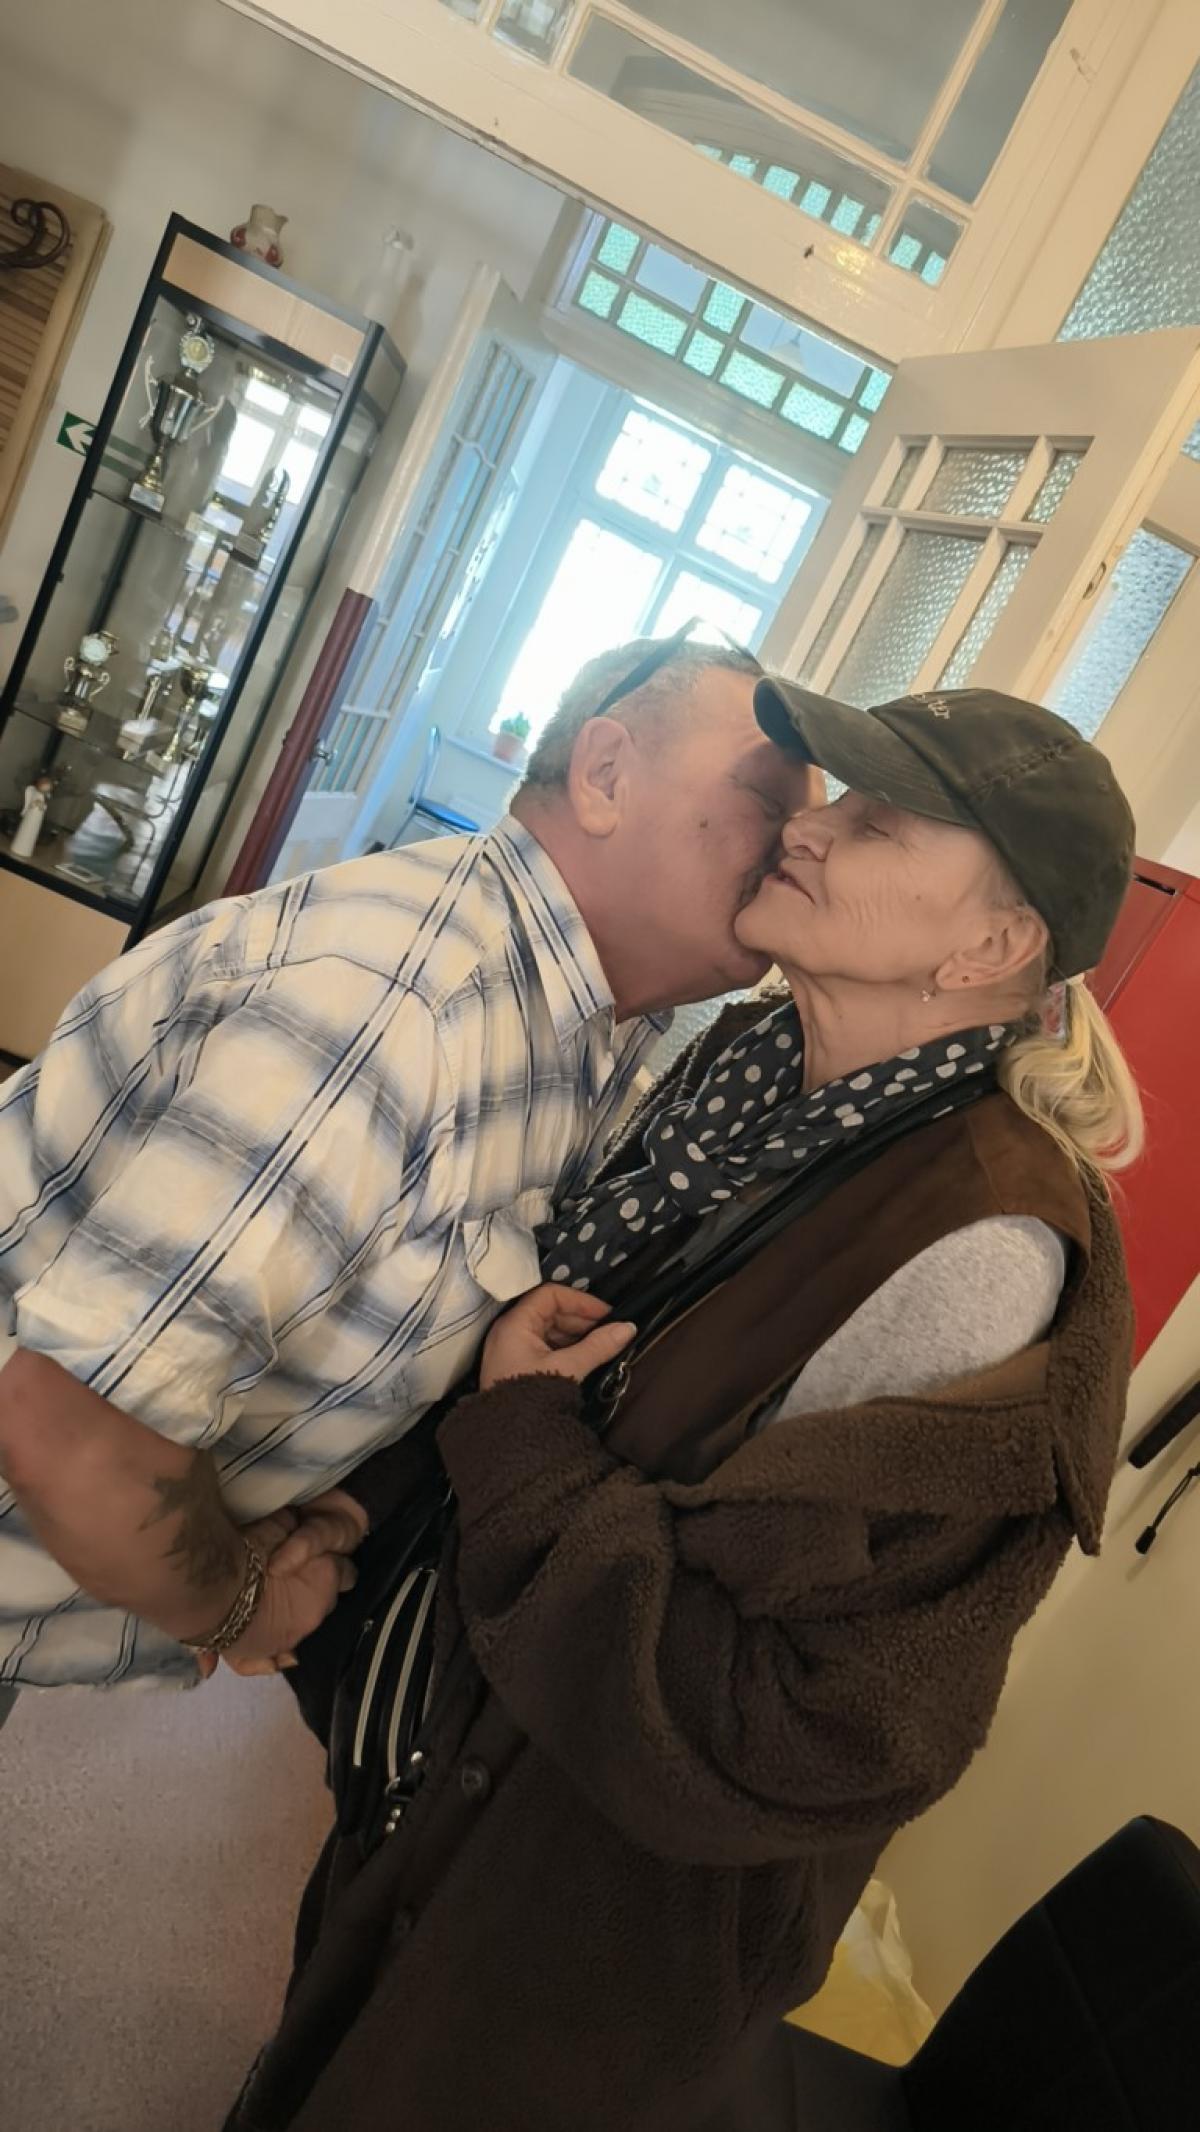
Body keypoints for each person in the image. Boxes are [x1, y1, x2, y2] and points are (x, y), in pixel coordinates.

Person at [225, 685, 1142, 2132]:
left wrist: (523, 1442)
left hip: (586, 1935)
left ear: (991, 947)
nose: (809, 826)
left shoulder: (979, 1256)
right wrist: (360, 1518)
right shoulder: (747, 1070)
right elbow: (569, 1336)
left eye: (880, 821)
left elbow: (790, 1726)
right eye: (832, 796)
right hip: (449, 1772)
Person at [0, 628, 815, 1715]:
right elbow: (76, 1436)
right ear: (606, 774)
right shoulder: (398, 1010)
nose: (805, 842)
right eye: (768, 798)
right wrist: (239, 1606)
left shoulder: (599, 1025)